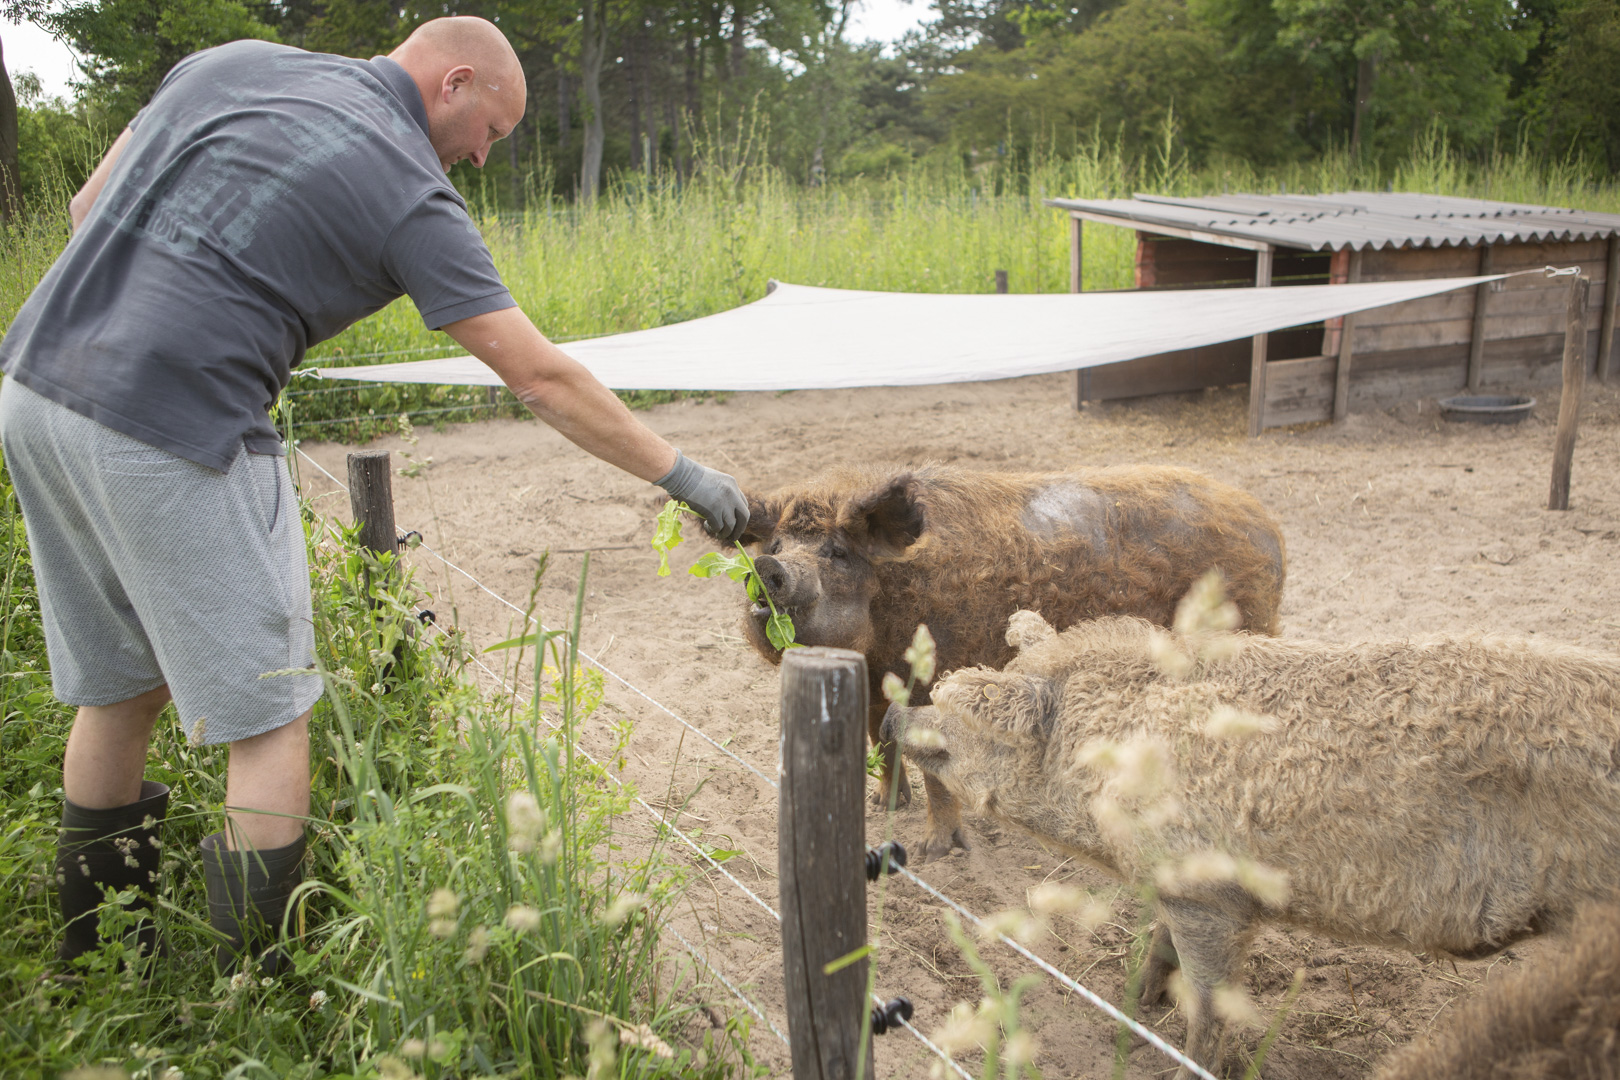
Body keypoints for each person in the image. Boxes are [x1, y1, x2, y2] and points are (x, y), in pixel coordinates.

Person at [0, 16, 748, 973]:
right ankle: (253, 997)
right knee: (271, 719)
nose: (481, 158)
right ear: (457, 80)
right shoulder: (409, 189)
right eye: (494, 132)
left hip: (35, 387)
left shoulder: (231, 64)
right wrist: (682, 474)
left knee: (118, 691)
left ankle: (98, 963)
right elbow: (542, 379)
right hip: (175, 422)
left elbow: (86, 206)